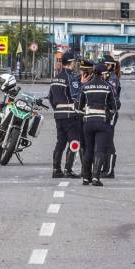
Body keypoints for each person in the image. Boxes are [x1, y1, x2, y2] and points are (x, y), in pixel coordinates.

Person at [77, 61, 117, 186]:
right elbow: (114, 106)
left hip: (88, 122)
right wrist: (108, 112)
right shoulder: (108, 87)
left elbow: (79, 106)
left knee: (88, 149)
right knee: (99, 149)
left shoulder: (85, 87)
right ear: (103, 74)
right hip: (102, 122)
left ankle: (85, 177)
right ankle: (95, 177)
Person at [47, 50, 83, 179]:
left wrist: (57, 109)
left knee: (60, 142)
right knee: (74, 142)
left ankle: (56, 169)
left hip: (58, 114)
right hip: (70, 114)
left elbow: (50, 97)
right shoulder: (71, 77)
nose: (75, 64)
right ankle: (68, 169)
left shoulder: (55, 78)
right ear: (71, 62)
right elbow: (75, 97)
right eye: (75, 62)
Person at [102, 54, 121, 178]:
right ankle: (105, 168)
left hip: (111, 112)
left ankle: (109, 170)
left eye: (104, 65)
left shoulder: (112, 79)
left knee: (108, 140)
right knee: (103, 140)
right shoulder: (107, 77)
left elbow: (112, 96)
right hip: (104, 112)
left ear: (109, 66)